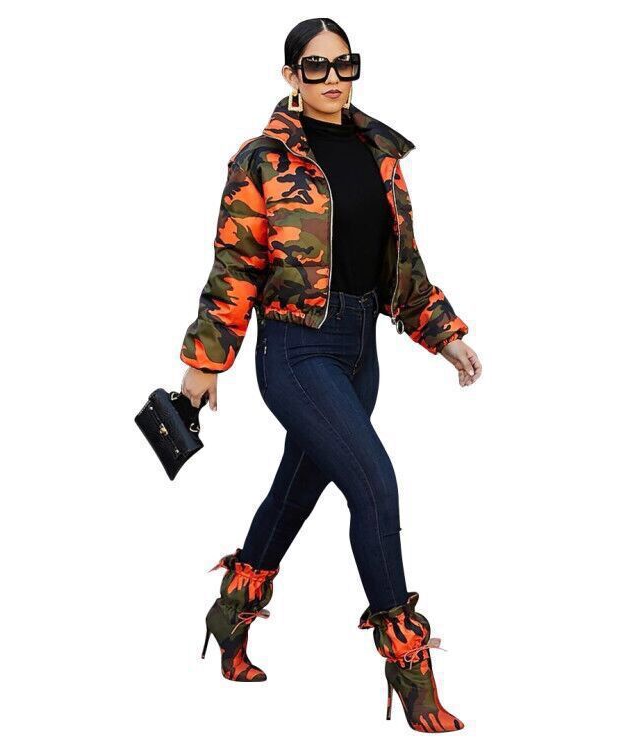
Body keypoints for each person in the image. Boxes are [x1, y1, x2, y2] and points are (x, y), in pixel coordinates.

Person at [179, 17, 482, 733]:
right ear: (291, 76)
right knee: (374, 484)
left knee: (295, 493)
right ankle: (411, 670)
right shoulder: (262, 159)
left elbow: (401, 264)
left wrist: (442, 333)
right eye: (315, 66)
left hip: (359, 349)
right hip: (294, 349)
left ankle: (231, 613)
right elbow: (235, 265)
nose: (333, 78)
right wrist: (203, 363)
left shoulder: (381, 152)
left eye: (344, 64)